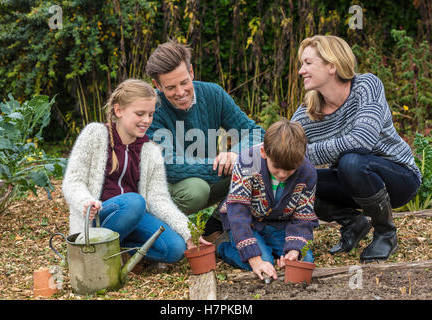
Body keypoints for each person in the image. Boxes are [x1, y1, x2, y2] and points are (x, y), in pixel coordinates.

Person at [291, 35, 421, 263]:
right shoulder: (307, 113)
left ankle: (385, 233)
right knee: (298, 180)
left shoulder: (366, 86)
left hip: (400, 178)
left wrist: (306, 154)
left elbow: (362, 141)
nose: (301, 71)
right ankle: (352, 223)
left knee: (351, 161)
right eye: (301, 64)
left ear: (331, 65)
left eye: (308, 63)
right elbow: (285, 151)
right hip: (352, 181)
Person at [62, 79, 210, 266]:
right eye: (140, 114)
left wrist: (188, 232)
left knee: (175, 249)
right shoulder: (95, 135)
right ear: (119, 111)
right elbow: (72, 182)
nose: (147, 120)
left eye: (150, 114)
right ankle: (93, 251)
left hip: (135, 217)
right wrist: (85, 201)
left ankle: (118, 250)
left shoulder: (150, 151)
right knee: (134, 202)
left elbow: (159, 200)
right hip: (100, 217)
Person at [145, 40, 265, 239]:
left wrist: (235, 155)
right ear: (157, 85)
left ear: (191, 71)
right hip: (166, 186)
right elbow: (169, 165)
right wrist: (221, 164)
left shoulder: (213, 94)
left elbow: (254, 133)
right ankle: (154, 229)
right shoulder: (152, 109)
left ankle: (217, 225)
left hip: (207, 173)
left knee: (256, 161)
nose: (181, 92)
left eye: (184, 82)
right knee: (196, 190)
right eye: (171, 87)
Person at [215, 119, 318, 280]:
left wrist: (294, 250)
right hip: (247, 222)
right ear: (264, 152)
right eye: (276, 168)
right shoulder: (248, 161)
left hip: (278, 223)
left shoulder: (307, 172)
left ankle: (266, 247)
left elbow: (302, 216)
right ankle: (223, 246)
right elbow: (238, 212)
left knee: (304, 260)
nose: (283, 175)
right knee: (264, 261)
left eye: (290, 170)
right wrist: (255, 260)